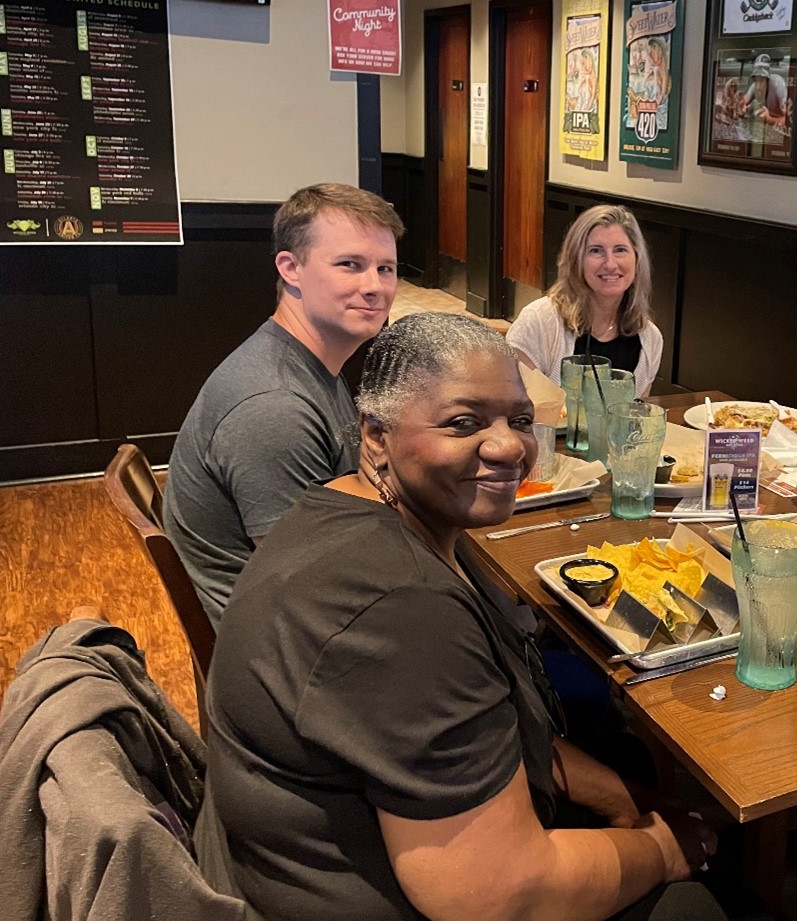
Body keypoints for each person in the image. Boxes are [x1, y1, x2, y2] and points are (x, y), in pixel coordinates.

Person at [197, 313, 724, 921]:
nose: (508, 447)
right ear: (374, 434)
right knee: (698, 905)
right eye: (463, 423)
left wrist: (631, 800)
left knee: (627, 763)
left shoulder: (363, 509)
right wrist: (660, 850)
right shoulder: (399, 607)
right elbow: (500, 895)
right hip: (349, 895)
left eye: (519, 421)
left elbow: (496, 735)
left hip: (301, 852)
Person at [163, 183, 403, 626]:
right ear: (291, 268)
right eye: (350, 265)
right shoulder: (275, 407)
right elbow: (306, 582)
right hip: (281, 647)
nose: (375, 287)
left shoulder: (308, 363)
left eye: (385, 268)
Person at [506, 204, 664, 396]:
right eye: (595, 251)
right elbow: (512, 410)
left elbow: (636, 418)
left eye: (620, 250)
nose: (610, 264)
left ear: (638, 260)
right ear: (575, 260)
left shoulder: (650, 338)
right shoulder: (539, 322)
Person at [737, 53, 789, 128]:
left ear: (767, 79)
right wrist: (741, 107)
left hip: (779, 129)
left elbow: (789, 121)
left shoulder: (778, 85)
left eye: (761, 80)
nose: (758, 87)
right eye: (756, 80)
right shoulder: (754, 86)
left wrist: (769, 119)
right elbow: (743, 102)